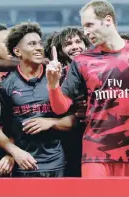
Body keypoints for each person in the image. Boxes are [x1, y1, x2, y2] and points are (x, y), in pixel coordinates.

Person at [46, 0, 129, 177]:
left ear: (108, 20)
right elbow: (60, 107)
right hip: (96, 152)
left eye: (89, 25)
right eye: (84, 26)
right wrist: (53, 85)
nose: (86, 32)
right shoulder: (82, 62)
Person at [0, 22, 75, 177]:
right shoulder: (4, 85)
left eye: (40, 43)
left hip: (56, 163)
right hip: (23, 165)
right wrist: (13, 151)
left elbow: (74, 120)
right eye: (32, 44)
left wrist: (51, 122)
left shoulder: (59, 78)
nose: (39, 48)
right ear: (17, 51)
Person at [49, 27, 90, 177]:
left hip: (98, 138)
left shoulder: (98, 69)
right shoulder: (56, 75)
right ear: (60, 51)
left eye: (78, 41)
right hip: (70, 141)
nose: (75, 47)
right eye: (68, 44)